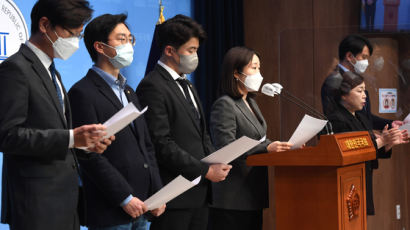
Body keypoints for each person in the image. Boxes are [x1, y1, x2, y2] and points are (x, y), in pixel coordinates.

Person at [0, 0, 114, 229]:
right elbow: (7, 135)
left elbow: (53, 131)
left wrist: (84, 144)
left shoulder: (52, 71)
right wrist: (71, 138)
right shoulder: (15, 69)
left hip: (66, 202)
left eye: (79, 36)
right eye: (72, 34)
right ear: (44, 25)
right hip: (36, 205)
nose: (75, 43)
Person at [68, 14, 166, 230]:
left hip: (144, 204)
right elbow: (89, 155)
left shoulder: (130, 91)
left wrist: (157, 193)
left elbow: (146, 147)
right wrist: (124, 198)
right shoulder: (82, 92)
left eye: (130, 39)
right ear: (100, 47)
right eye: (121, 39)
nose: (128, 45)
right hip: (111, 207)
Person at [136, 14, 232, 230]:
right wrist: (203, 170)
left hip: (199, 194)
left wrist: (215, 161)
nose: (195, 56)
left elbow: (200, 133)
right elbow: (161, 142)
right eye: (191, 50)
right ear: (169, 50)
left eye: (196, 50)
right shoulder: (152, 85)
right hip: (173, 196)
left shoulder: (187, 84)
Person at [208, 47, 293, 230]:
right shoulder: (224, 104)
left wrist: (277, 145)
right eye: (254, 68)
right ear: (236, 73)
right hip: (233, 198)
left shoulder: (250, 101)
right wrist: (266, 148)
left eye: (259, 68)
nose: (259, 74)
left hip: (253, 193)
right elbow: (226, 146)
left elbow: (260, 139)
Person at [324, 71, 408, 215]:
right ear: (344, 95)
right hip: (346, 186)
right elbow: (352, 151)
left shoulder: (361, 117)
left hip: (362, 181)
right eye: (359, 91)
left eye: (364, 90)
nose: (365, 95)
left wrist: (388, 143)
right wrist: (382, 140)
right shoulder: (336, 119)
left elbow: (370, 149)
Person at [321, 34, 403, 130]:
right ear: (349, 56)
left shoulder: (356, 78)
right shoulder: (334, 80)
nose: (367, 62)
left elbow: (365, 117)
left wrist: (390, 123)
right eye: (364, 57)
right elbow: (336, 120)